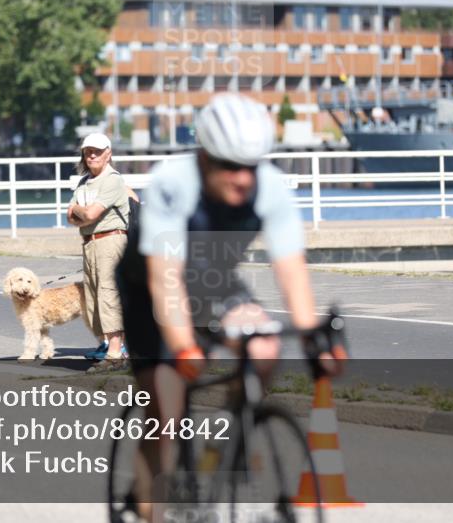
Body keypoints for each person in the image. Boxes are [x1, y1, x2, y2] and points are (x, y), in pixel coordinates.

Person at [115, 93, 346, 516]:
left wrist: (314, 334)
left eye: (251, 166)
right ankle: (148, 500)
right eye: (229, 166)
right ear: (204, 157)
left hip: (214, 280)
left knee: (264, 347)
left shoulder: (270, 187)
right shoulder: (174, 183)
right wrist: (184, 346)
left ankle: (225, 444)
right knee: (165, 406)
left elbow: (292, 271)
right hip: (150, 286)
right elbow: (165, 279)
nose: (242, 179)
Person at [67, 132, 130, 373]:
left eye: (97, 150)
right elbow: (69, 216)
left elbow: (88, 215)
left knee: (108, 294)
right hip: (89, 242)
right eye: (88, 151)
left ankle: (116, 353)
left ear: (108, 153)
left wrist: (79, 211)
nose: (91, 154)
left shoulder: (112, 180)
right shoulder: (84, 182)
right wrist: (83, 213)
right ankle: (110, 345)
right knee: (93, 297)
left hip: (110, 241)